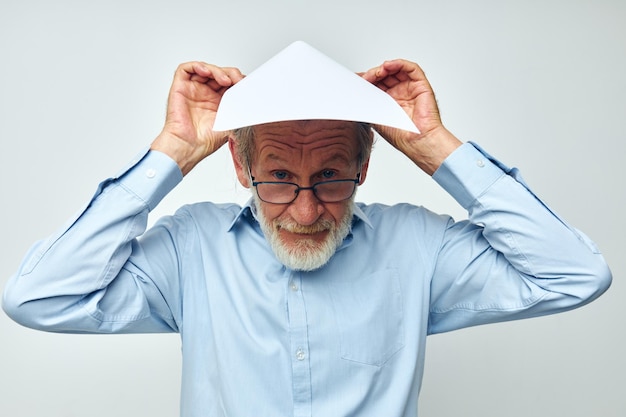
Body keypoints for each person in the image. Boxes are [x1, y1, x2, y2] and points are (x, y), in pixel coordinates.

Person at [2, 41, 612, 417]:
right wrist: (173, 152)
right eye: (277, 176)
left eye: (329, 175)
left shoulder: (420, 248)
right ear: (239, 166)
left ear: (365, 166)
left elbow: (576, 275)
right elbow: (37, 298)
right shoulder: (190, 250)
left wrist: (435, 149)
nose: (304, 210)